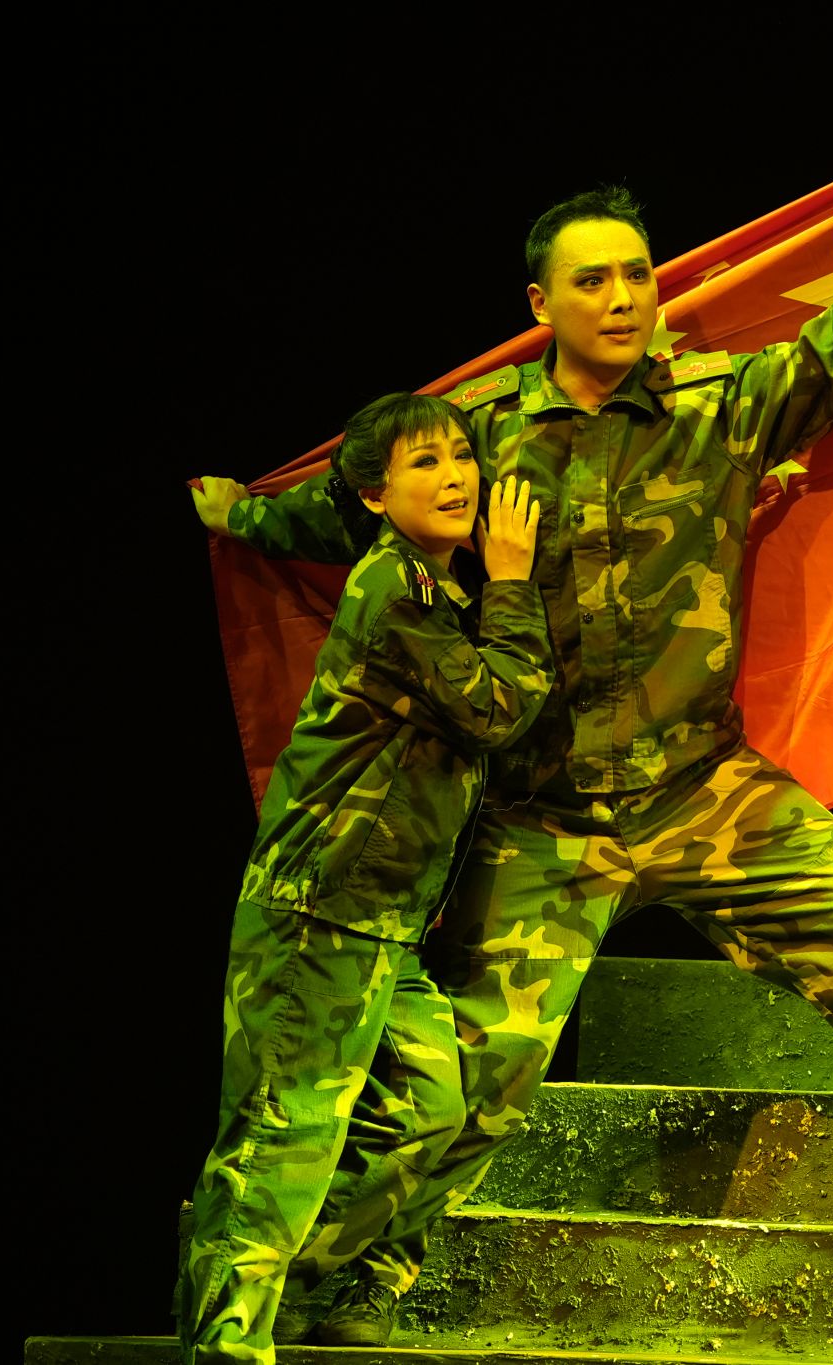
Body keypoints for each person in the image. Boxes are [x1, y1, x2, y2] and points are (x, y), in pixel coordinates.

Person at [199, 119, 833, 1348]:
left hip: (701, 788)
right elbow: (353, 509)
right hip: (545, 817)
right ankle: (348, 1284)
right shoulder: (478, 436)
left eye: (636, 275)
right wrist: (240, 516)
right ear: (540, 304)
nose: (621, 298)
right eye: (592, 281)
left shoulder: (717, 408)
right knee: (474, 1079)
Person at [179, 393, 550, 1360]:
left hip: (385, 915)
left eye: (462, 456)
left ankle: (261, 1268)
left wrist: (245, 514)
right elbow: (496, 707)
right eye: (425, 464)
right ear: (377, 496)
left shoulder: (431, 583)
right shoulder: (394, 591)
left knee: (429, 1108)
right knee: (285, 1130)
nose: (457, 476)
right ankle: (225, 1338)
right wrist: (513, 582)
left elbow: (321, 514)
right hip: (321, 907)